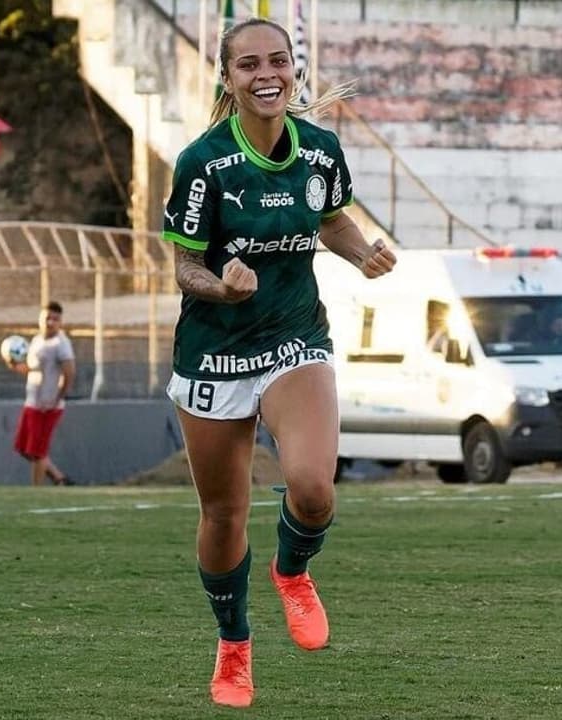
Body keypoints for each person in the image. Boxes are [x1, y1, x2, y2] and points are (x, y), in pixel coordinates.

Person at [160, 17, 396, 709]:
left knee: (313, 487)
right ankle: (234, 645)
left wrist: (364, 252)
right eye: (249, 66)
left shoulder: (320, 150)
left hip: (296, 334)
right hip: (215, 349)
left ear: (294, 69)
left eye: (279, 62)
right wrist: (220, 284)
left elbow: (331, 219)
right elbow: (182, 263)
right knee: (223, 515)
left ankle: (292, 572)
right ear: (227, 79)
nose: (267, 75)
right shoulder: (203, 162)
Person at [6, 301, 76, 486]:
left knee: (38, 451)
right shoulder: (37, 341)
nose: (51, 322)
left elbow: (69, 372)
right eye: (47, 318)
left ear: (60, 322)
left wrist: (57, 399)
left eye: (56, 319)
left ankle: (37, 491)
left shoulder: (61, 344)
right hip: (32, 403)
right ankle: (59, 478)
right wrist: (17, 366)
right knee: (23, 448)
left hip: (48, 406)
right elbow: (33, 369)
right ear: (40, 319)